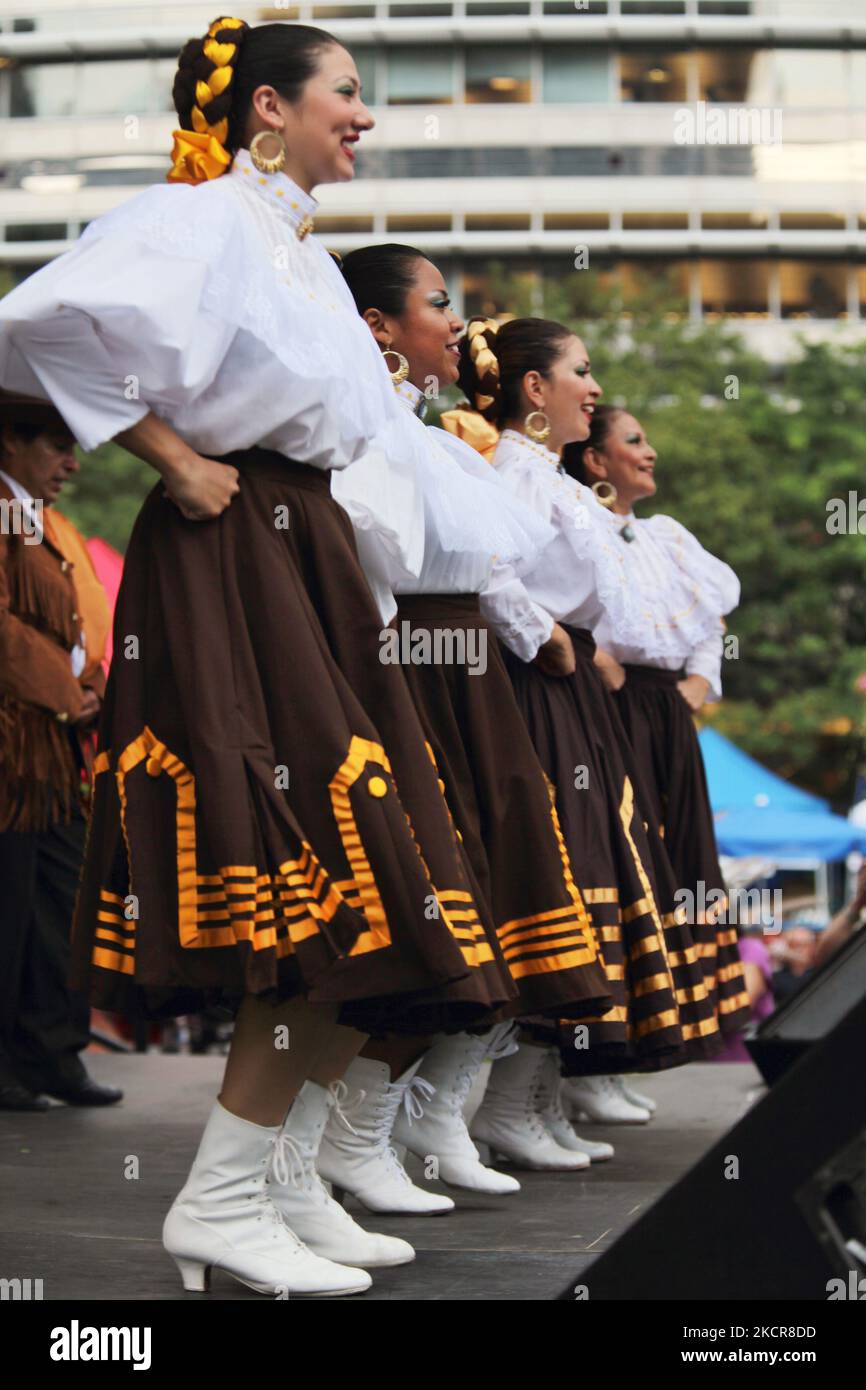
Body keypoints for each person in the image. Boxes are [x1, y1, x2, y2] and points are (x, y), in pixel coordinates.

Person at [0, 16, 499, 1297]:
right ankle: (221, 1195)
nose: (365, 116)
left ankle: (274, 1180)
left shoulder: (293, 250)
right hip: (235, 549)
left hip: (305, 556)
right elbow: (38, 321)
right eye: (346, 92)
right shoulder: (205, 217)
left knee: (381, 881)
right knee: (331, 872)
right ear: (266, 108)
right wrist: (168, 458)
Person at [322, 244, 614, 1193]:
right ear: (377, 327)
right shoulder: (364, 422)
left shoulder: (428, 435)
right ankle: (351, 1141)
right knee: (439, 895)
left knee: (496, 891)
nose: (457, 323)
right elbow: (465, 575)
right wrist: (551, 640)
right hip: (423, 663)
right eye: (438, 304)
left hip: (459, 668)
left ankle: (403, 1126)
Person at [453, 316, 723, 1140]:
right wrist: (553, 641)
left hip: (569, 694)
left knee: (596, 877)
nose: (596, 386)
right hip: (540, 690)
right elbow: (485, 570)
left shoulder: (549, 478)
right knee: (559, 883)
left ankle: (523, 1104)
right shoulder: (516, 472)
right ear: (536, 390)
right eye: (582, 370)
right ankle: (462, 1114)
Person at [561, 405, 750, 1043]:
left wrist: (699, 685)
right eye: (634, 441)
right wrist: (597, 659)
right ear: (595, 460)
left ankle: (648, 1038)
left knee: (682, 857)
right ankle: (598, 1047)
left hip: (668, 709)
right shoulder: (577, 520)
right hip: (607, 706)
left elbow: (709, 615)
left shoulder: (665, 535)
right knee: (629, 859)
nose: (651, 452)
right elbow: (553, 606)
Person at [0, 388, 120, 1112]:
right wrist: (63, 688)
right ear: (10, 442)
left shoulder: (43, 522)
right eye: (56, 447)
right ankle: (13, 1062)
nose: (72, 464)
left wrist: (92, 680)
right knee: (9, 909)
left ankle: (52, 1054)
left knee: (62, 903)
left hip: (52, 744)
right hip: (15, 747)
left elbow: (78, 621)